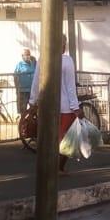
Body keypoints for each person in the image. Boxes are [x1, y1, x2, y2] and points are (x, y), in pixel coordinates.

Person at [28, 35, 82, 173]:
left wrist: (33, 102)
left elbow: (36, 82)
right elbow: (70, 87)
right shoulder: (68, 61)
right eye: (64, 44)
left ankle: (51, 167)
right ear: (63, 46)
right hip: (66, 108)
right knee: (66, 140)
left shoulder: (42, 59)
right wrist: (76, 107)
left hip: (47, 107)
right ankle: (59, 167)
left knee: (50, 139)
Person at [13, 48, 37, 114]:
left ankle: (31, 123)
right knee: (23, 110)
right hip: (23, 91)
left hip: (32, 91)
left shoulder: (34, 64)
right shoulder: (19, 65)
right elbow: (15, 76)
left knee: (33, 109)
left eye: (28, 54)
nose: (27, 56)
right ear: (22, 56)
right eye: (26, 54)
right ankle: (22, 123)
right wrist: (17, 88)